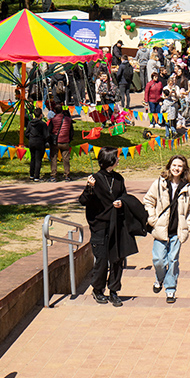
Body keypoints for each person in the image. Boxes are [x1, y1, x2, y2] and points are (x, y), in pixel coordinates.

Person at [143, 155, 190, 304]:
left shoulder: (188, 189)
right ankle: (160, 278)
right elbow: (148, 200)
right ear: (169, 166)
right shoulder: (159, 184)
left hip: (177, 231)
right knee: (159, 260)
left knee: (173, 260)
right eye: (174, 165)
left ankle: (170, 289)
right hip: (160, 230)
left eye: (180, 166)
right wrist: (152, 219)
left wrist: (188, 226)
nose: (176, 168)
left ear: (184, 169)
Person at [79, 147, 127, 307]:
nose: (119, 160)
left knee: (117, 260)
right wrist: (89, 187)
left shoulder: (119, 179)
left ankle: (114, 291)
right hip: (99, 226)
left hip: (116, 225)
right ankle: (98, 289)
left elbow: (124, 196)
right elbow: (83, 201)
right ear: (110, 160)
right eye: (116, 158)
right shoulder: (95, 179)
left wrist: (122, 203)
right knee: (101, 260)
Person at [25, 108, 50, 181]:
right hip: (40, 143)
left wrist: (30, 138)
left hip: (32, 142)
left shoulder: (30, 123)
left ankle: (31, 175)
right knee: (38, 159)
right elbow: (47, 135)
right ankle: (36, 176)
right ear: (41, 115)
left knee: (32, 158)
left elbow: (26, 133)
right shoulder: (43, 124)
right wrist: (44, 141)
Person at [49, 108, 74, 182]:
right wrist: (70, 139)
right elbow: (71, 131)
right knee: (66, 159)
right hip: (65, 141)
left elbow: (49, 130)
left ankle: (53, 176)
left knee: (54, 158)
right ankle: (67, 175)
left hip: (55, 142)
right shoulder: (68, 120)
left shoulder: (53, 120)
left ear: (55, 111)